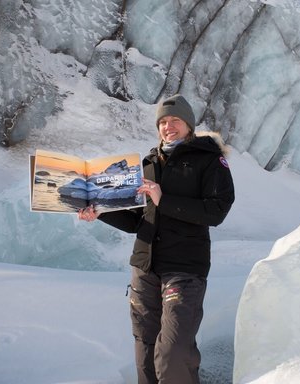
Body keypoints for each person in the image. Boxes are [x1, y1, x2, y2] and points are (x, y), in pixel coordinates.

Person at [78, 94, 235, 384]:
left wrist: (165, 200)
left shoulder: (210, 160)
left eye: (174, 119)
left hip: (185, 268)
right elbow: (137, 221)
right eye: (162, 121)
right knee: (145, 346)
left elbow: (217, 211)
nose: (168, 126)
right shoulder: (148, 163)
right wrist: (98, 212)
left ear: (188, 123)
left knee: (174, 349)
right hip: (144, 266)